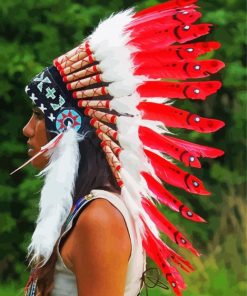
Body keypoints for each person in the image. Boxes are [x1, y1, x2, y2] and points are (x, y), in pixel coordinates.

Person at [13, 0, 225, 295]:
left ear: (69, 126)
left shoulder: (99, 219)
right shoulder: (83, 212)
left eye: (38, 115)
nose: (27, 129)